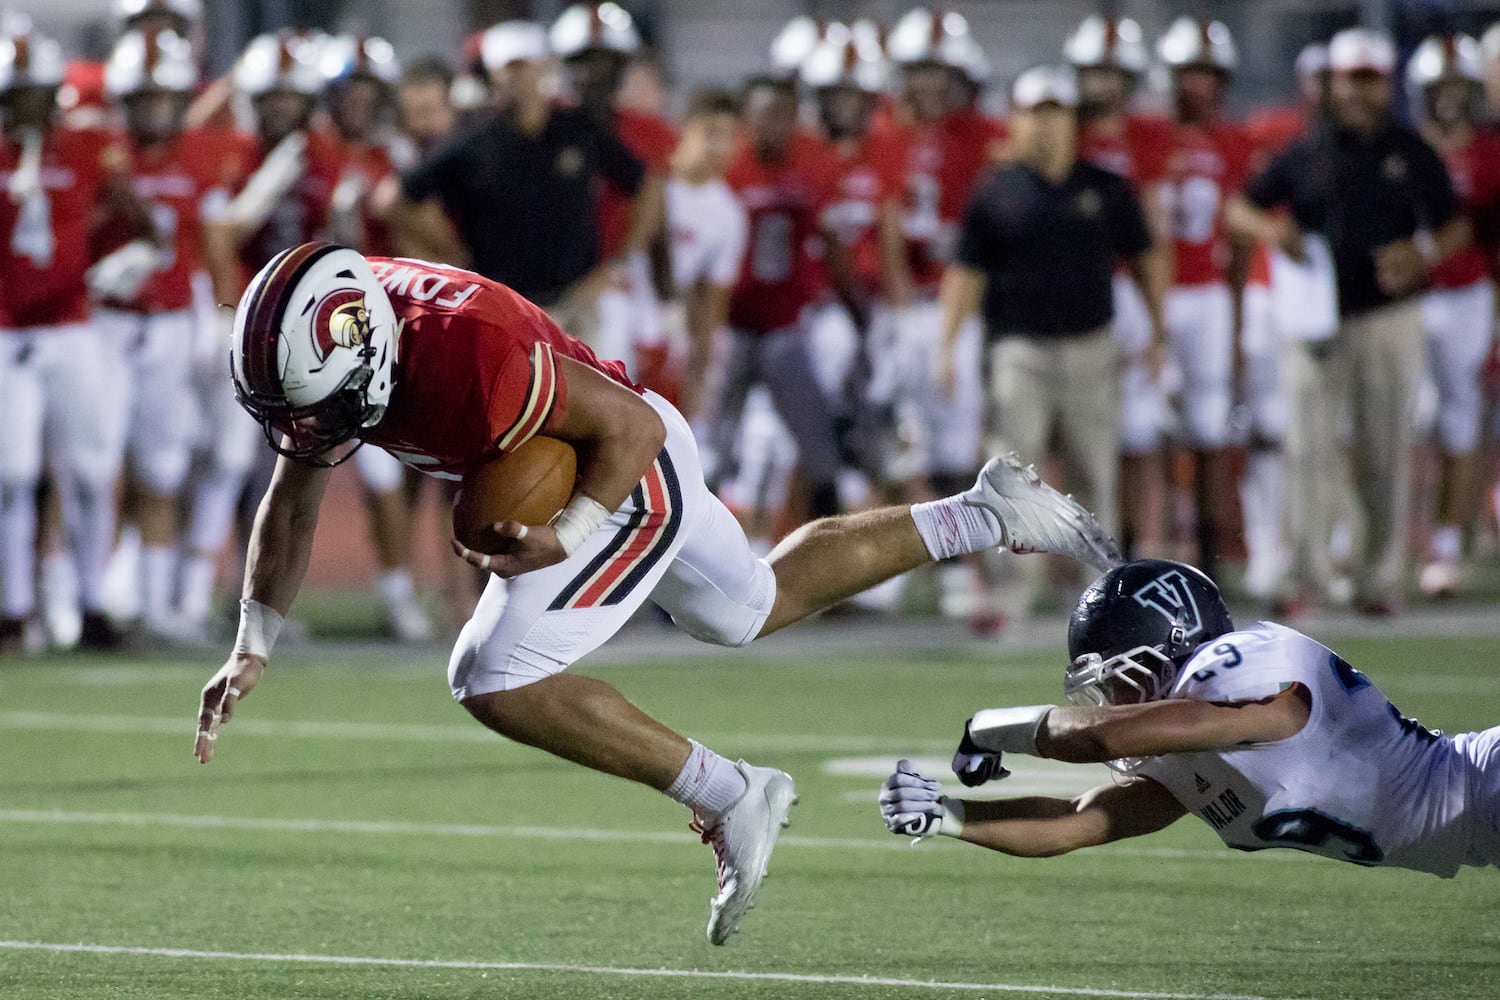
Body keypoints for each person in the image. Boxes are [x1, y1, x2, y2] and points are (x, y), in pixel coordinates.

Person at [191, 240, 1121, 945]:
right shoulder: (338, 332)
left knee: (492, 672)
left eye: (315, 402)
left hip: (619, 463)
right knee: (747, 605)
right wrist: (253, 639)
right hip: (607, 445)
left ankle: (731, 792)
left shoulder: (472, 355)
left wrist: (571, 532)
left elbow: (627, 427)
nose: (307, 426)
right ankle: (984, 513)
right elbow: (293, 490)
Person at [878, 559, 1500, 878]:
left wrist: (990, 726)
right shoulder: (1196, 740)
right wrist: (950, 817)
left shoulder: (1234, 671)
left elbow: (1102, 735)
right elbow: (1078, 821)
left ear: (1172, 641)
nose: (1114, 700)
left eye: (1118, 678)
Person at [1227, 28, 1471, 616]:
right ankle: (1306, 576)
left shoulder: (1410, 151)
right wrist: (1271, 230)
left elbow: (1455, 225)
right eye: (1348, 78)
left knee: (1385, 450)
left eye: (1369, 79)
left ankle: (1378, 577)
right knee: (1306, 450)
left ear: (1386, 84)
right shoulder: (1306, 150)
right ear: (1330, 83)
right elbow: (1239, 207)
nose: (1357, 91)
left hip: (1387, 318)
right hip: (1313, 321)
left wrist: (1424, 253)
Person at [935, 65, 1160, 618]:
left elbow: (1148, 256)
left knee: (1092, 472)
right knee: (1009, 471)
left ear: (1071, 122)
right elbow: (966, 273)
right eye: (1034, 113)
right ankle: (1012, 589)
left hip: (1090, 345)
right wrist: (947, 344)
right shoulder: (996, 191)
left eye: (1055, 112)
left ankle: (1097, 595)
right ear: (1014, 120)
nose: (1045, 125)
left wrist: (1159, 329)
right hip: (1019, 349)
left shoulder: (1105, 187)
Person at [0, 20, 143, 652]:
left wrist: (126, 257)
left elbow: (141, 217)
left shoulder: (86, 148)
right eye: (17, 92)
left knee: (90, 471)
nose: (28, 103)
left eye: (36, 90)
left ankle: (91, 604)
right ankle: (13, 606)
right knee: (12, 472)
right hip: (5, 330)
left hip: (72, 324)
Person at [384, 20, 652, 352]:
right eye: (507, 69)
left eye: (523, 66)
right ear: (494, 75)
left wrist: (623, 260)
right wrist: (450, 258)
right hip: (505, 306)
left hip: (579, 298)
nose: (516, 78)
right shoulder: (474, 137)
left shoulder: (578, 127)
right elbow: (394, 200)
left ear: (542, 67)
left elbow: (644, 184)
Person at [93, 28, 231, 634]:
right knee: (88, 467)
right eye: (143, 100)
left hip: (172, 323)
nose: (155, 112)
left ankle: (152, 603)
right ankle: (74, 598)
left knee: (162, 468)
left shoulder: (198, 158)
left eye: (164, 99)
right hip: (103, 323)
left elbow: (214, 245)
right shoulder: (95, 152)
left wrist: (218, 312)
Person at [705, 74, 860, 522]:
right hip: (730, 324)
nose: (771, 124)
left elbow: (832, 245)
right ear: (745, 119)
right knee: (711, 447)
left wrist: (858, 313)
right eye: (762, 113)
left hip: (787, 325)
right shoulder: (727, 164)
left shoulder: (814, 163)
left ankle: (832, 556)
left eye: (781, 113)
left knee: (818, 447)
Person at [1063, 14, 1174, 560]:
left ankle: (1145, 543)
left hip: (1127, 291)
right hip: (1075, 290)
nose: (1103, 83)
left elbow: (1152, 233)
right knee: (1079, 433)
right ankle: (1081, 553)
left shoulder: (1148, 134)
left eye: (1113, 72)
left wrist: (1159, 320)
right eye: (1095, 71)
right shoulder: (1065, 130)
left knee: (1140, 431)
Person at [1153, 18, 1253, 581]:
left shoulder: (1233, 142)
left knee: (1211, 425)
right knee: (1144, 426)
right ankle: (1153, 547)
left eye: (1211, 74)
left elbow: (1236, 243)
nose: (1200, 85)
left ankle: (1210, 555)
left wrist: (1237, 320)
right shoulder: (1147, 133)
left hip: (1208, 293)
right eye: (1190, 71)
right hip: (1154, 293)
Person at [1405, 34, 1500, 598]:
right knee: (1404, 419)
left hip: (1467, 292)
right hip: (1408, 298)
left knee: (1460, 418)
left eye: (1457, 87)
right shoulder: (1406, 148)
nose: (1448, 98)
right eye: (1438, 88)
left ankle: (1444, 544)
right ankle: (1389, 540)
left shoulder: (1489, 151)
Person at [548, 2, 673, 390]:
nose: (594, 75)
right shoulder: (542, 126)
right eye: (584, 62)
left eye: (606, 64)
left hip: (619, 280)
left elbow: (659, 211)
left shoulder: (648, 131)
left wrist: (633, 269)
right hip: (548, 278)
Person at [663, 88, 746, 421]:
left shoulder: (728, 212)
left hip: (670, 325)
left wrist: (699, 370)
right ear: (684, 127)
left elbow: (713, 299)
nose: (720, 147)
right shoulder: (650, 184)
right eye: (711, 133)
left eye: (729, 136)